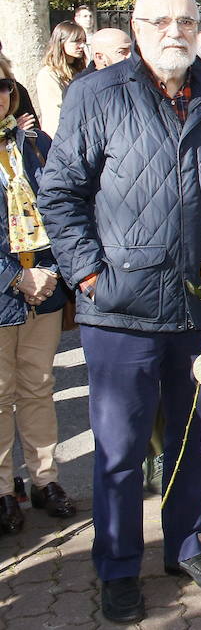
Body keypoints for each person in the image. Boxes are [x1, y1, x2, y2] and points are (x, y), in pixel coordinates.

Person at [39, 0, 201, 622]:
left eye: (185, 20)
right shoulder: (95, 95)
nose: (173, 31)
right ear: (135, 28)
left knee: (196, 440)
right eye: (158, 21)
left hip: (197, 305)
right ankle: (117, 566)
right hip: (120, 310)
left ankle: (186, 545)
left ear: (199, 28)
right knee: (121, 451)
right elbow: (61, 195)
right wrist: (87, 276)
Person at [0, 54, 74, 533]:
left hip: (43, 283)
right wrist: (13, 276)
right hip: (6, 288)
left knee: (38, 386)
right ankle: (3, 489)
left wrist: (47, 272)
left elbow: (61, 204)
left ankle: (46, 479)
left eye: (3, 85)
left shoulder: (33, 143)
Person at [34, 21, 87, 135]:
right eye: (76, 41)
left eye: (83, 41)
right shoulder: (48, 74)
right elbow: (56, 113)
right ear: (61, 43)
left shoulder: (80, 71)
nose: (82, 45)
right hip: (60, 137)